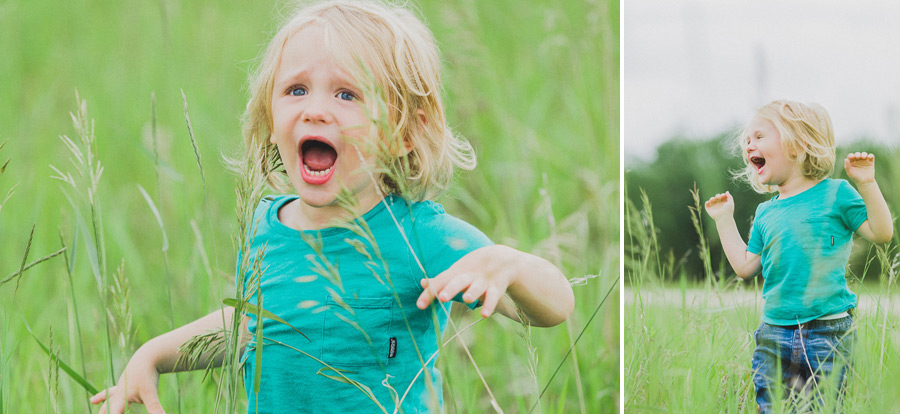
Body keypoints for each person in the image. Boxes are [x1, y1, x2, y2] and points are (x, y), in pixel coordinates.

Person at [89, 1, 575, 413]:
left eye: (347, 94)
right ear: (269, 114)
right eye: (296, 90)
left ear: (405, 132)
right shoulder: (264, 227)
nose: (314, 109)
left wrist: (508, 264)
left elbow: (557, 306)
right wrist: (153, 354)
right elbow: (251, 327)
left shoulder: (418, 234)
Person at [704, 100, 893, 413]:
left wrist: (868, 183)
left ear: (798, 145)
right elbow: (745, 267)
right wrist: (724, 218)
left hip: (827, 332)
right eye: (747, 140)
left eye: (759, 136)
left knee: (822, 407)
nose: (749, 143)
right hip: (773, 332)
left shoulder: (837, 193)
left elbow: (881, 232)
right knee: (773, 407)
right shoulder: (766, 212)